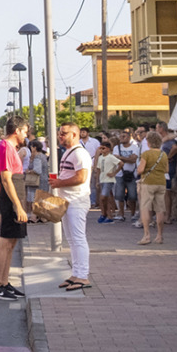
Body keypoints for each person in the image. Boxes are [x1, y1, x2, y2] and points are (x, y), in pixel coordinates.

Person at [0, 116, 28, 300]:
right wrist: (18, 206)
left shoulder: (10, 148)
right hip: (11, 197)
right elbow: (5, 177)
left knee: (12, 242)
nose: (26, 135)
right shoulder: (5, 147)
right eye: (25, 131)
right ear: (17, 131)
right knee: (5, 241)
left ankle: (4, 281)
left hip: (16, 194)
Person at [50, 123, 92, 290]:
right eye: (60, 133)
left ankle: (82, 276)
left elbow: (81, 177)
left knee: (78, 238)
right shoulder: (69, 152)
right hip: (67, 200)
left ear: (74, 135)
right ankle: (76, 273)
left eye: (64, 134)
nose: (60, 136)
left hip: (77, 200)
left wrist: (60, 182)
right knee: (72, 240)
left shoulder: (80, 153)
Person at [136, 130, 169, 245]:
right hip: (161, 182)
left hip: (148, 182)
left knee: (145, 207)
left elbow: (140, 170)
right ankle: (159, 236)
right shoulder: (163, 154)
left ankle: (147, 235)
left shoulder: (146, 154)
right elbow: (166, 170)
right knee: (160, 209)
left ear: (149, 142)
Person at [112, 129, 140, 222]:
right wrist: (127, 158)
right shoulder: (117, 147)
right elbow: (116, 160)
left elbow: (133, 160)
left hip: (131, 173)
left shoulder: (135, 147)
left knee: (132, 195)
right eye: (120, 137)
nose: (122, 138)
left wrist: (121, 158)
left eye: (124, 136)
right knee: (119, 194)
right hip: (120, 174)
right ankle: (121, 213)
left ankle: (132, 213)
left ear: (129, 137)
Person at [159, 123, 177, 223]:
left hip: (167, 170)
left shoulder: (170, 141)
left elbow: (175, 148)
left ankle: (167, 217)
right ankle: (163, 215)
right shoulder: (164, 140)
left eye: (156, 127)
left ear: (161, 128)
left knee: (166, 193)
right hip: (163, 170)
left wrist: (168, 158)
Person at [95, 140, 121, 223]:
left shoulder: (111, 157)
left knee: (104, 197)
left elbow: (121, 163)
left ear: (108, 149)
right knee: (104, 198)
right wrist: (97, 181)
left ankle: (107, 214)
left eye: (103, 148)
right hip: (102, 179)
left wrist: (114, 172)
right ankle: (106, 214)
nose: (101, 150)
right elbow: (98, 169)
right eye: (100, 148)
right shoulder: (100, 157)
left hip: (109, 180)